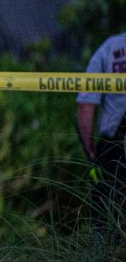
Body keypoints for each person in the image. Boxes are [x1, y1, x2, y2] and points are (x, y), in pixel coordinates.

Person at [76, 31, 126, 233]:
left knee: (109, 221)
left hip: (114, 149)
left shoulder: (110, 48)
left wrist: (91, 153)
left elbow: (85, 107)